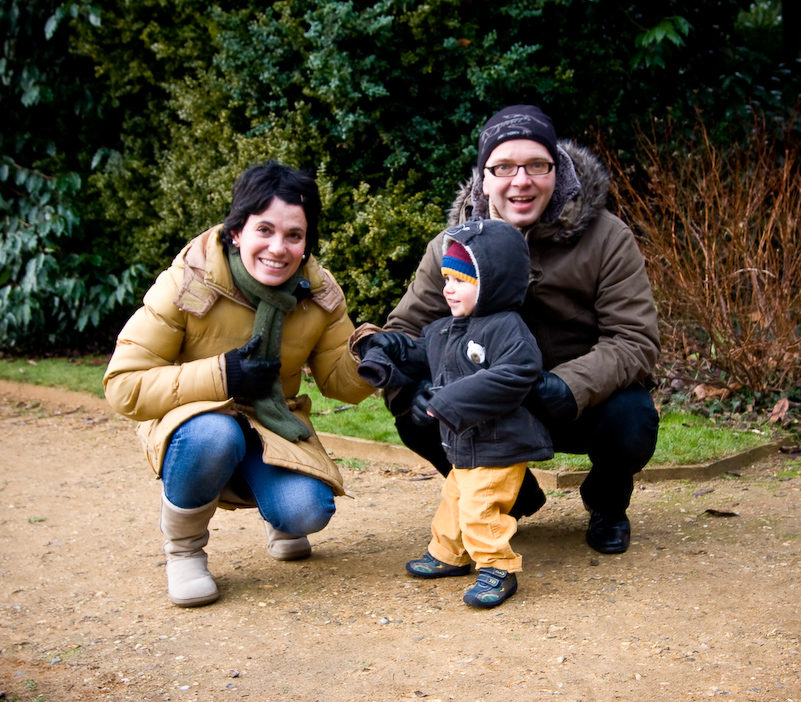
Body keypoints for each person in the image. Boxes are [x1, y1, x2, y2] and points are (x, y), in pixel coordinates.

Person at [382, 104, 661, 555]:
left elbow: (634, 340)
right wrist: (406, 386)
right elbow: (405, 330)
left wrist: (568, 386)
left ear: (559, 169)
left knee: (632, 418)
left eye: (537, 165)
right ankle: (512, 495)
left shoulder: (608, 237)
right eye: (504, 167)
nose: (522, 180)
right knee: (416, 415)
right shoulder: (451, 246)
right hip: (489, 403)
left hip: (574, 401)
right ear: (483, 176)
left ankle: (607, 502)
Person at [104, 161, 378, 608]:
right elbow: (123, 385)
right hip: (196, 421)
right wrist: (223, 374)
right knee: (215, 435)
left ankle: (279, 513)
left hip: (271, 424)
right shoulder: (186, 281)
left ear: (307, 242)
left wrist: (369, 359)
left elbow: (338, 383)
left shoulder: (317, 291)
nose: (279, 248)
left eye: (294, 235)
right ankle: (185, 552)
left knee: (307, 511)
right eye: (264, 230)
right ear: (236, 232)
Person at [357, 219, 553, 608]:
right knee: (455, 499)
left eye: (461, 280)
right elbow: (421, 359)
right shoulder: (445, 328)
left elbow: (516, 374)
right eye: (447, 277)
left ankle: (498, 569)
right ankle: (448, 554)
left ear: (492, 282)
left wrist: (447, 401)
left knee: (480, 507)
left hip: (500, 444)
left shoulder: (508, 329)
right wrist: (390, 351)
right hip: (464, 444)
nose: (448, 288)